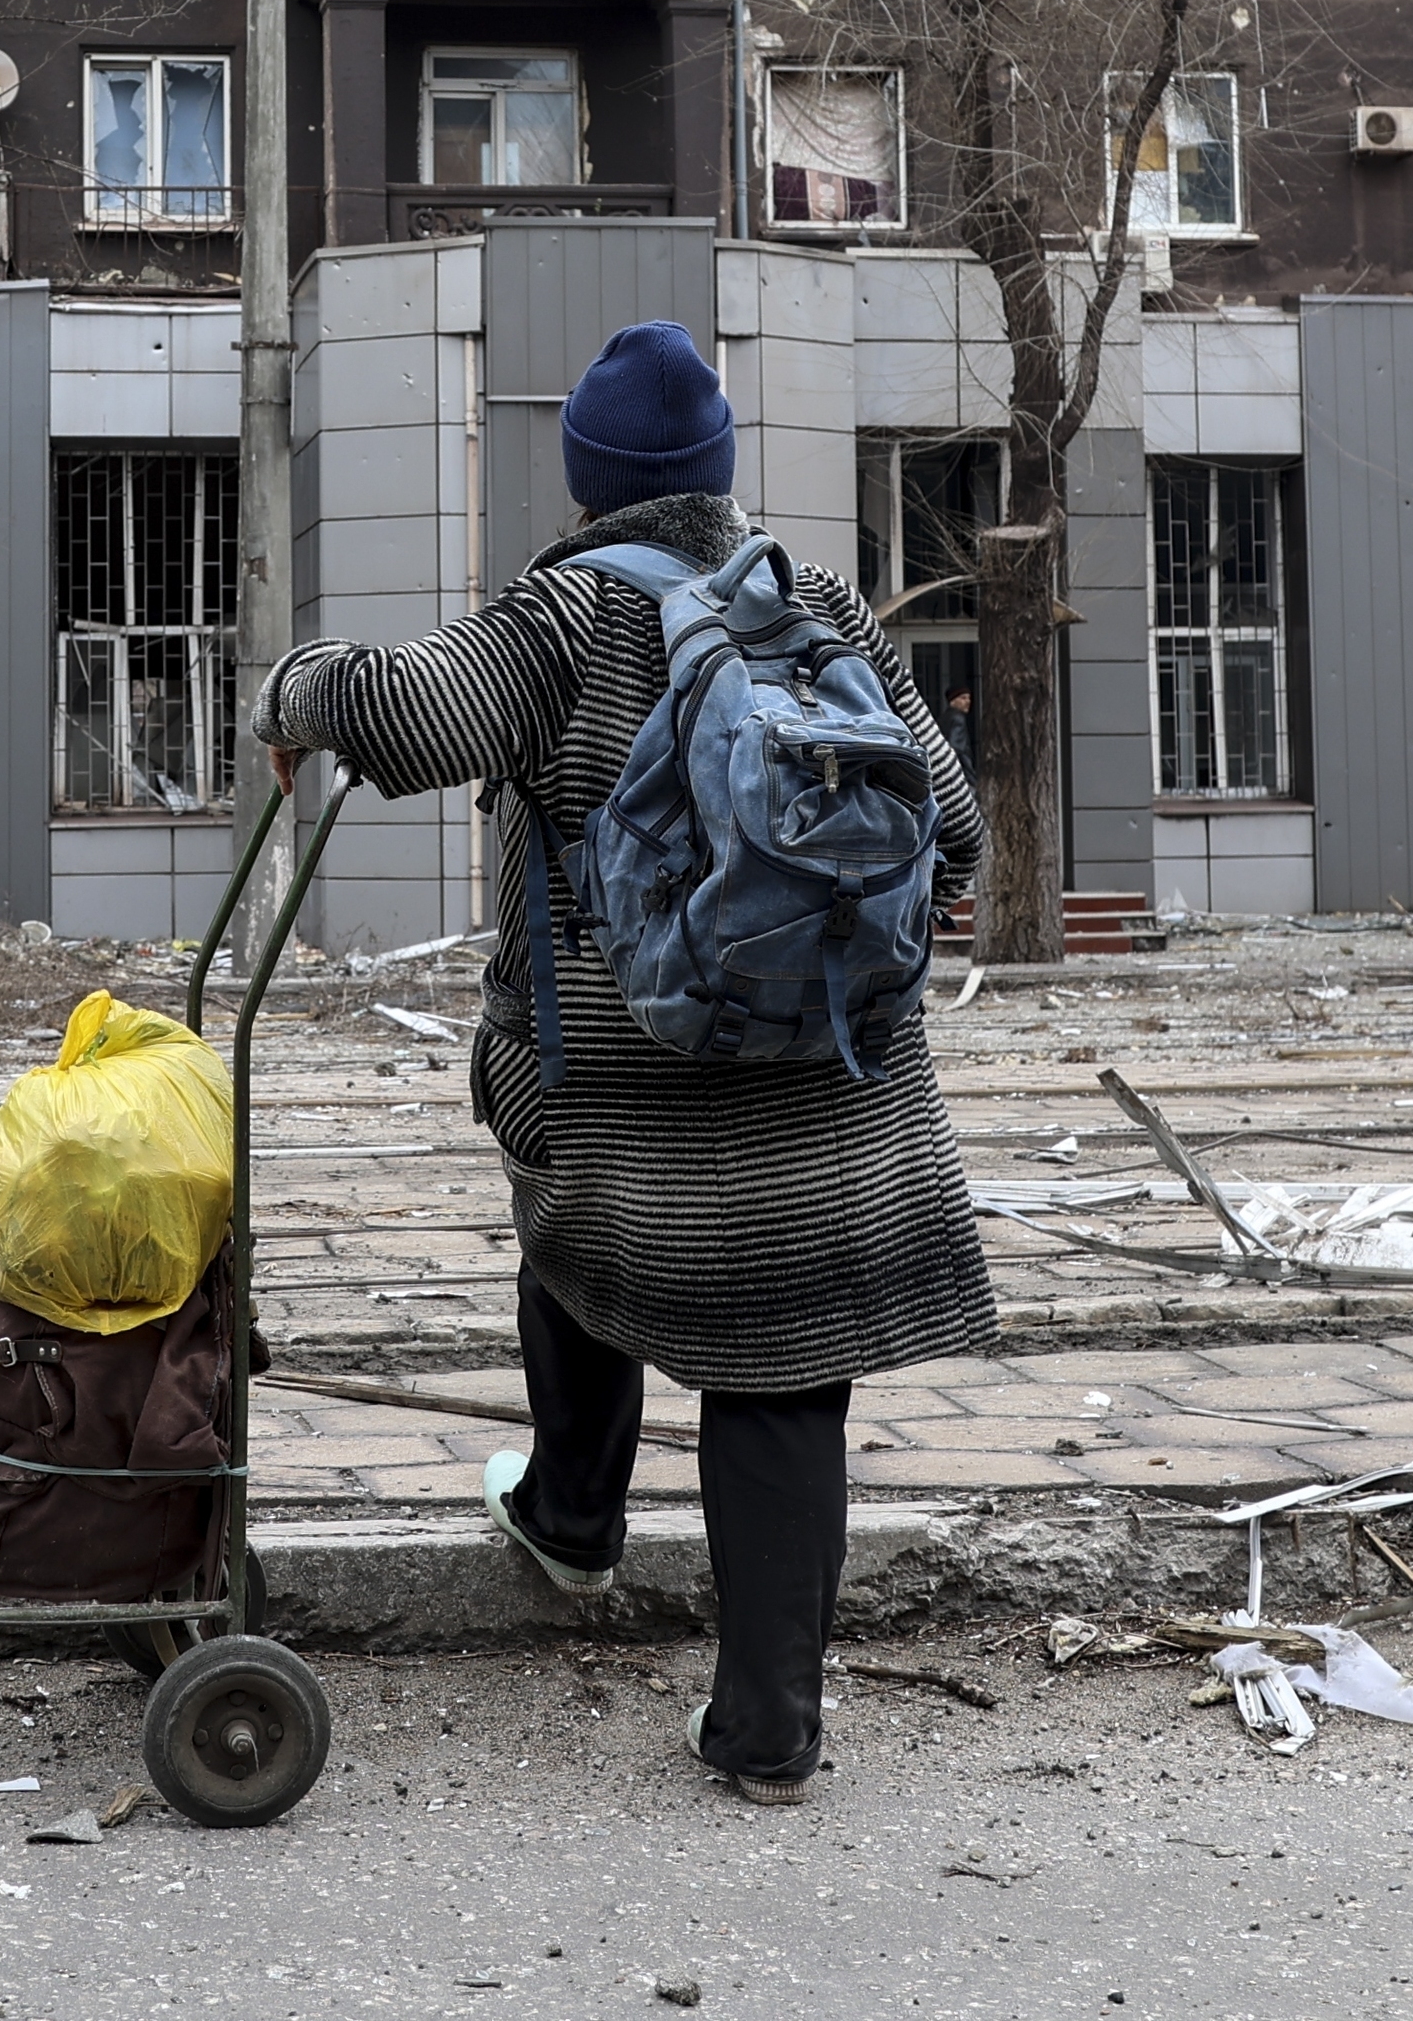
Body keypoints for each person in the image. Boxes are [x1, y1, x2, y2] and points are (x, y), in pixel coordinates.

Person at [258, 319, 986, 1804]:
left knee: (572, 1236)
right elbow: (956, 827)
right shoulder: (815, 602)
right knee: (785, 1378)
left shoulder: (564, 616)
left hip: (625, 1088)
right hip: (840, 1087)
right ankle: (770, 1729)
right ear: (718, 475)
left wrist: (294, 687)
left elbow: (399, 710)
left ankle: (574, 1518)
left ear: (587, 479)